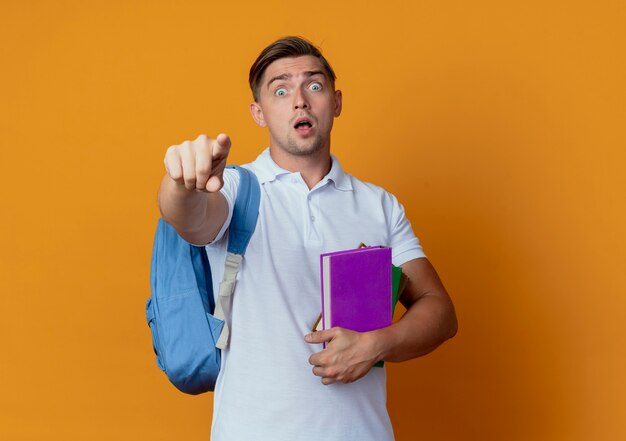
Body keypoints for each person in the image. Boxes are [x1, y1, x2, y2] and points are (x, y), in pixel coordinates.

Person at [158, 36, 457, 441]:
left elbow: (439, 310)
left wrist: (376, 345)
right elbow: (188, 217)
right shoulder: (232, 188)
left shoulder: (379, 205)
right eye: (280, 90)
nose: (299, 100)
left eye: (313, 85)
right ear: (258, 112)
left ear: (335, 102)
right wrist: (181, 182)